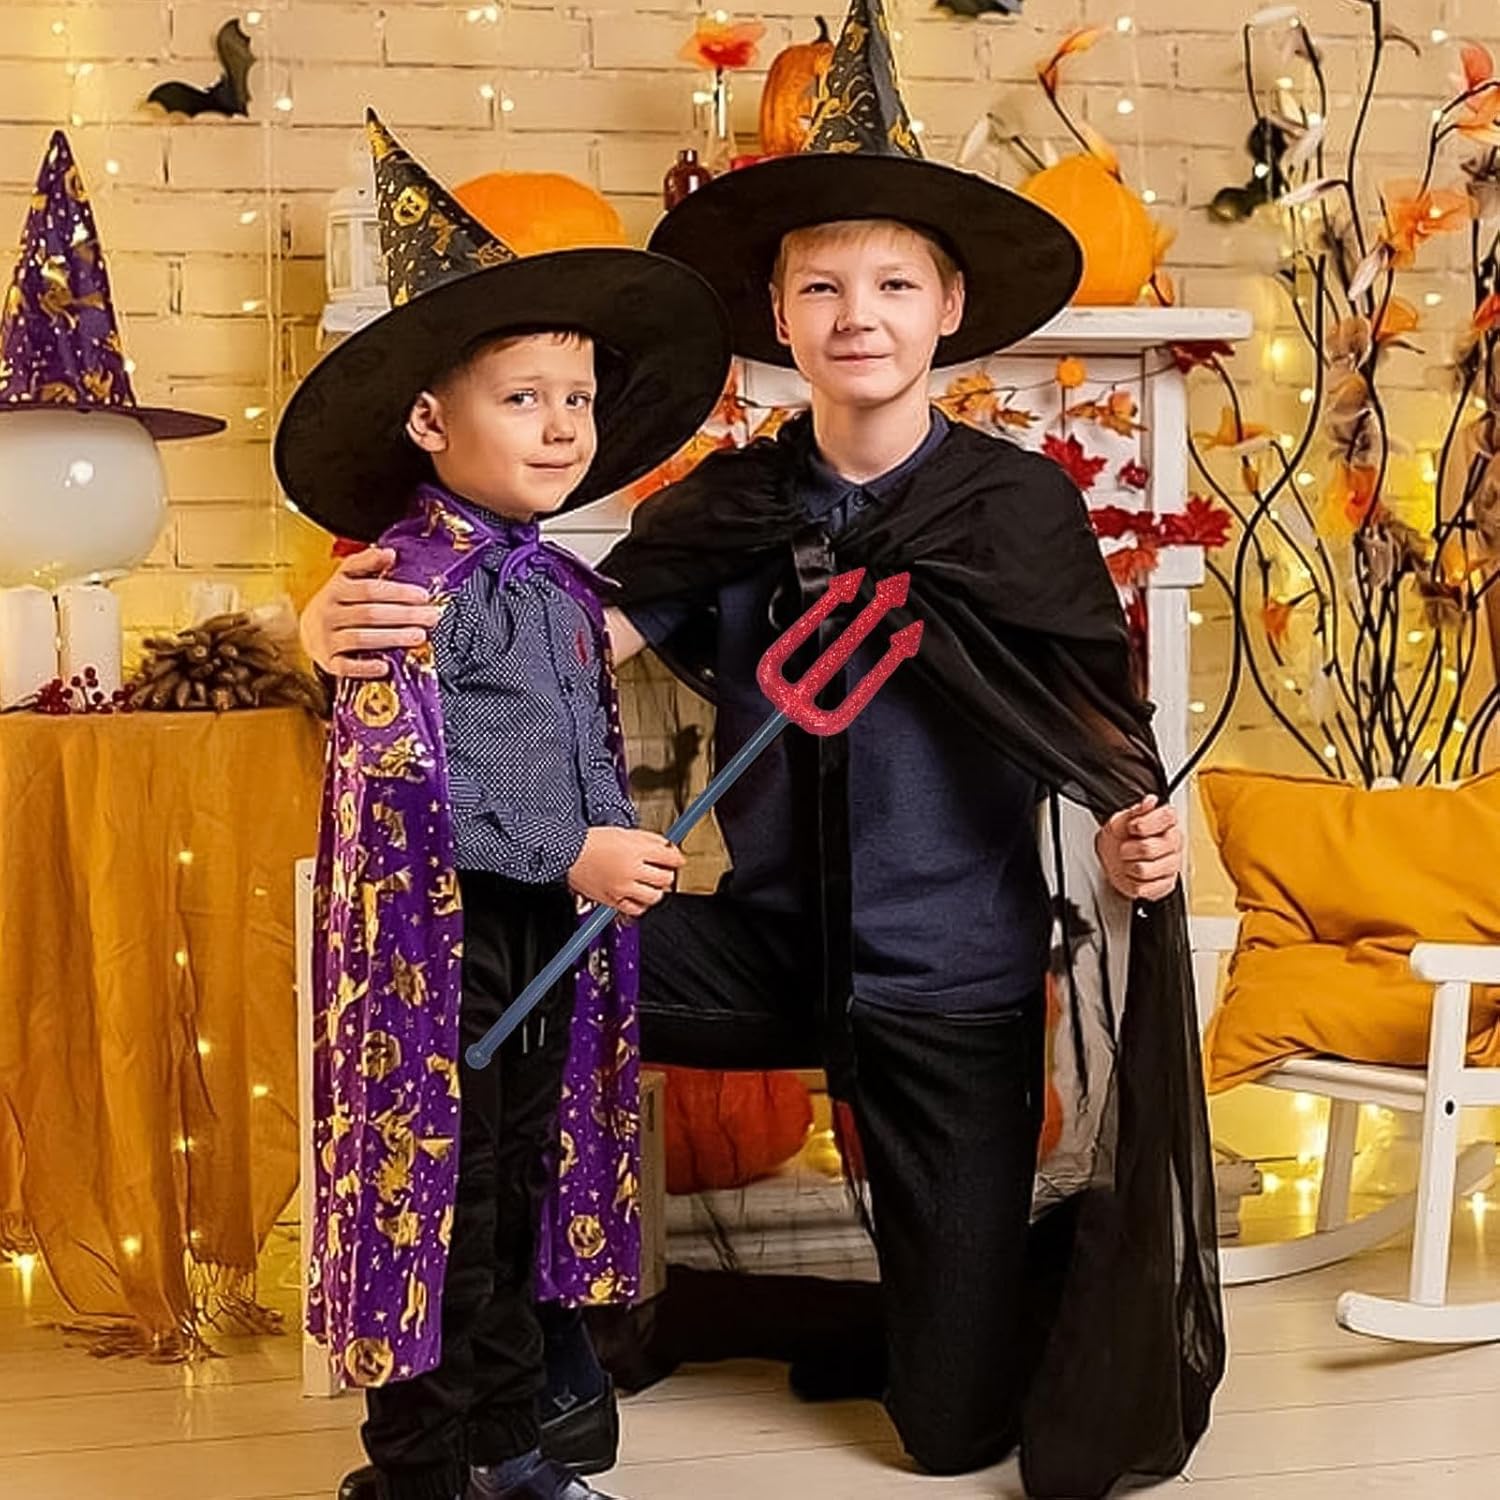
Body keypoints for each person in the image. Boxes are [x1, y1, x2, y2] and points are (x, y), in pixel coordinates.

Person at [299, 8, 1226, 1494]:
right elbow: (549, 631)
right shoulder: (726, 507)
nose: (858, 316)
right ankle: (520, 1350)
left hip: (949, 974)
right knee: (516, 963)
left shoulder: (1018, 508)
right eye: (821, 288)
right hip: (765, 947)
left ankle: (898, 1304)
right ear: (779, 318)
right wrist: (337, 624)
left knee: (953, 1430)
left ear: (947, 307)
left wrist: (1131, 832)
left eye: (893, 285)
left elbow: (1088, 725)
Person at [276, 112, 731, 1500]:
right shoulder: (409, 588)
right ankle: (420, 1471)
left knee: (524, 1189)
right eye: (523, 397)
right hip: (446, 946)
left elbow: (582, 722)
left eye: (576, 400)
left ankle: (508, 1451)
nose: (562, 425)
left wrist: (606, 850)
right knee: (445, 1206)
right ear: (431, 422)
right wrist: (574, 850)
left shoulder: (551, 581)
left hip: (549, 939)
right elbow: (411, 789)